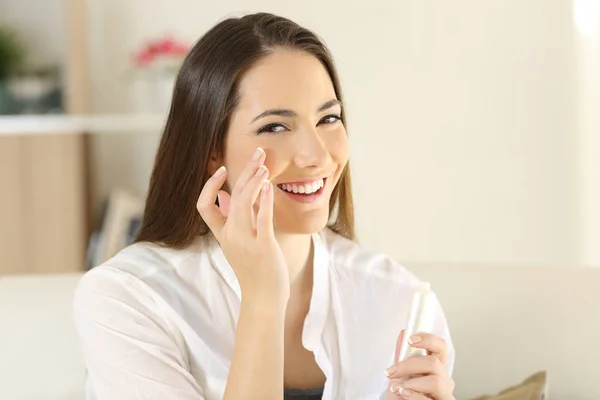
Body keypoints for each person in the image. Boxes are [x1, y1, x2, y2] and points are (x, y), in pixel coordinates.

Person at [73, 12, 456, 400]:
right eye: (275, 127)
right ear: (210, 150)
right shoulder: (128, 298)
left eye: (328, 118)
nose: (316, 155)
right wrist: (262, 300)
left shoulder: (401, 301)